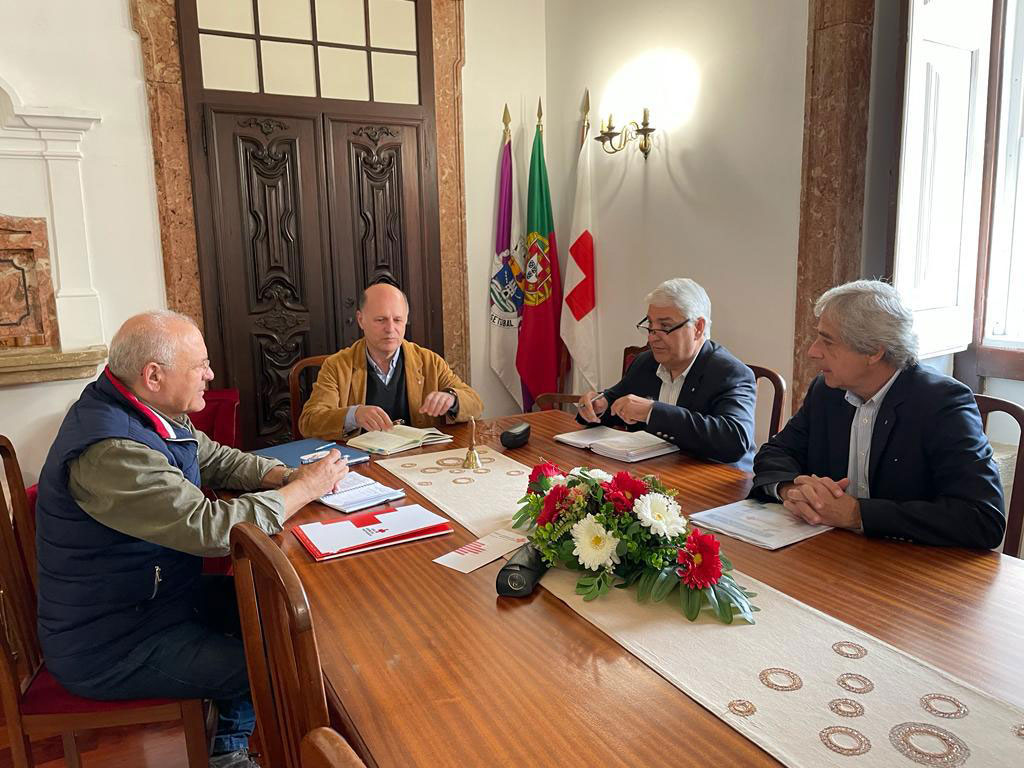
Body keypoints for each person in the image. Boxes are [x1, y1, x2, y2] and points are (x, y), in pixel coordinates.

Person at [35, 310, 350, 768]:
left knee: (277, 609)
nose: (210, 374)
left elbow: (213, 457)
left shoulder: (140, 407)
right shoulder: (113, 450)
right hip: (114, 642)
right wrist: (304, 491)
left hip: (155, 598)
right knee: (273, 664)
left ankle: (231, 739)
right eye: (199, 365)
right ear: (154, 375)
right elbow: (211, 529)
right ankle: (233, 754)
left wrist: (283, 475)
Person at [750, 280, 1005, 549]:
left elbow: (982, 518)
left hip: (912, 568)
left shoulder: (942, 403)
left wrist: (856, 514)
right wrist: (794, 490)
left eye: (827, 341)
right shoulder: (827, 391)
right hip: (837, 555)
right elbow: (776, 453)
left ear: (874, 351)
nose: (813, 351)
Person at [576, 277, 757, 468]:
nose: (652, 337)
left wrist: (652, 412)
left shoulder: (730, 372)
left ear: (698, 328)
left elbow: (735, 439)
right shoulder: (645, 363)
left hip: (717, 480)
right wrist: (599, 405)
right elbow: (616, 402)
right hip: (660, 474)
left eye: (665, 327)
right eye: (651, 325)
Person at [299, 282, 483, 439]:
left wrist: (452, 399)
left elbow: (476, 404)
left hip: (418, 461)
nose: (390, 328)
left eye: (397, 320)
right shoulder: (337, 366)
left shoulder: (429, 361)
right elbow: (309, 421)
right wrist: (353, 415)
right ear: (361, 320)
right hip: (363, 465)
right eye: (380, 320)